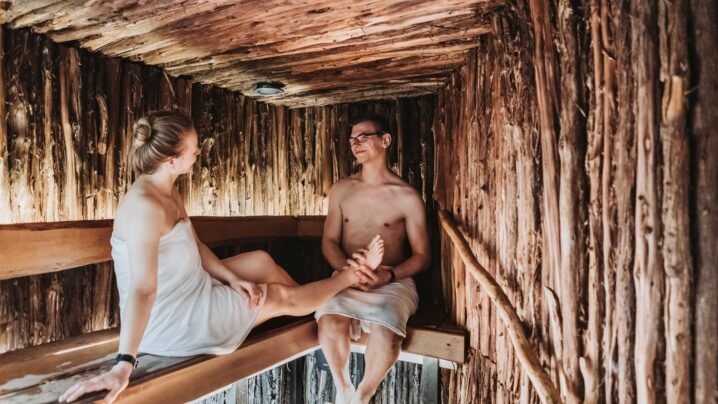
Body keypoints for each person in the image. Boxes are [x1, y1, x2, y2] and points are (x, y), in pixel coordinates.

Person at [59, 111, 375, 403]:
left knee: (261, 262)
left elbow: (195, 246)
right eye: (192, 148)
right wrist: (123, 364)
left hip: (192, 288)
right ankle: (348, 279)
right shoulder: (145, 207)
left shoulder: (167, 190)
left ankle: (321, 312)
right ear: (171, 159)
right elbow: (143, 290)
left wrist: (234, 279)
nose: (198, 152)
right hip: (172, 321)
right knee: (275, 296)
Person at [315, 113, 430, 404]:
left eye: (363, 137)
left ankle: (364, 394)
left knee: (387, 329)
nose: (356, 144)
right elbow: (329, 241)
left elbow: (422, 256)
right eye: (353, 139)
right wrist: (348, 272)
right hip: (347, 275)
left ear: (385, 140)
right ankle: (343, 389)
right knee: (329, 318)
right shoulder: (342, 190)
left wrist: (386, 276)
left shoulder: (406, 196)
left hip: (392, 280)